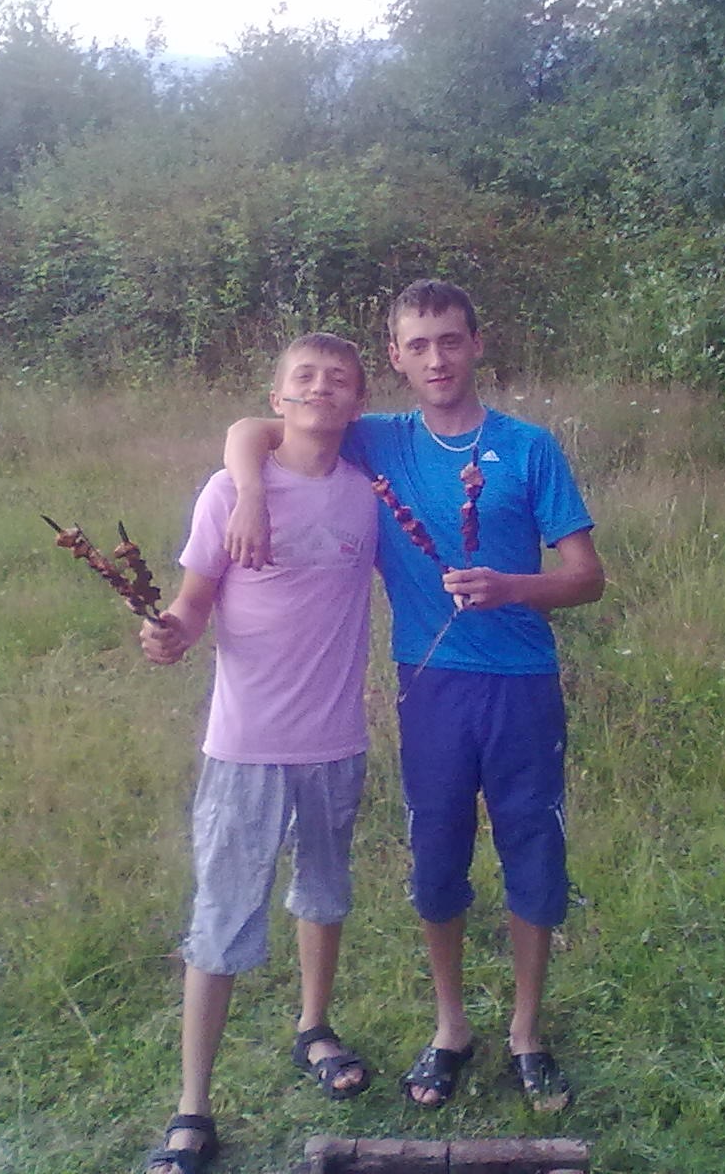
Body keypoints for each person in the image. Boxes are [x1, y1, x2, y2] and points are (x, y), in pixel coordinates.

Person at [223, 280, 604, 1113]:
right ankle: (450, 1027)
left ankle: (527, 1033)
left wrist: (512, 586)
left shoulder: (529, 447)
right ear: (395, 358)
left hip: (522, 685)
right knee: (436, 862)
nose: (437, 358)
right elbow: (255, 427)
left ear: (476, 344)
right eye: (418, 345)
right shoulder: (378, 439)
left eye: (450, 340)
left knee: (533, 854)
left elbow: (586, 577)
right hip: (429, 687)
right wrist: (248, 491)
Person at [139, 333, 379, 1174]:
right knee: (221, 917)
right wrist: (172, 633)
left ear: (358, 404)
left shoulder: (367, 496)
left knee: (324, 894)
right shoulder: (228, 491)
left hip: (335, 741)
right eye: (303, 377)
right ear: (277, 398)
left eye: (339, 379)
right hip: (245, 746)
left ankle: (314, 1027)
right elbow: (193, 601)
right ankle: (192, 1107)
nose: (321, 387)